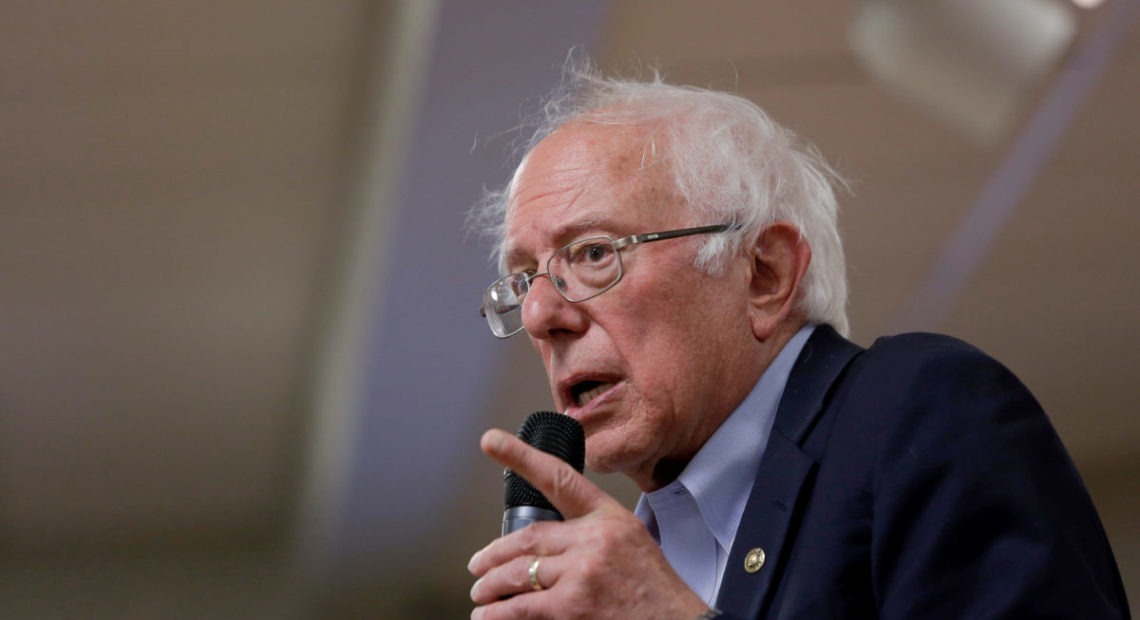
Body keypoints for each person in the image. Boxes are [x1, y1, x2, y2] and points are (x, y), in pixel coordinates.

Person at [465, 63, 1130, 620]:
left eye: (592, 253)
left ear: (764, 275)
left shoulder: (918, 410)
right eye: (523, 280)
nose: (542, 313)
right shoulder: (617, 570)